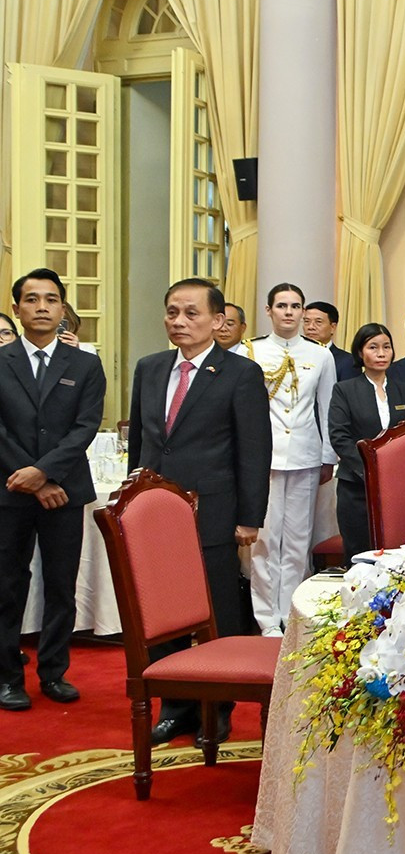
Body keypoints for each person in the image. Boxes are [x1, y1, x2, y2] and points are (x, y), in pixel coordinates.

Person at [127, 277, 271, 745]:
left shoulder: (239, 373)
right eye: (172, 312)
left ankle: (218, 707)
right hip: (157, 514)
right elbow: (140, 446)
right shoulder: (149, 368)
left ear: (217, 320)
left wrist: (249, 516)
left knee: (218, 611)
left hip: (214, 510)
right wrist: (134, 501)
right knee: (163, 610)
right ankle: (177, 707)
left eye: (191, 313)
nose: (180, 321)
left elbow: (254, 449)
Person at [0, 269, 105, 710]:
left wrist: (45, 474)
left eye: (50, 299)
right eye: (31, 299)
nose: (41, 307)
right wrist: (29, 477)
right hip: (9, 490)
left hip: (64, 490)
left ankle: (54, 672)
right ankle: (8, 678)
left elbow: (85, 427)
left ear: (63, 309)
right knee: (7, 585)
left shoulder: (85, 364)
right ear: (17, 309)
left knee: (61, 584)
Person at [247, 282, 338, 638]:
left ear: (303, 312)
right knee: (265, 539)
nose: (289, 312)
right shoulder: (249, 351)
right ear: (268, 311)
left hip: (305, 453)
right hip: (263, 457)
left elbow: (327, 408)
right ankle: (265, 617)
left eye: (295, 306)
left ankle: (290, 611)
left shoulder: (320, 355)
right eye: (281, 305)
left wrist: (328, 455)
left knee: (299, 539)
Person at [327, 323, 405, 559]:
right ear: (360, 352)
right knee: (360, 555)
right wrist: (370, 470)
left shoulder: (404, 391)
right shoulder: (344, 390)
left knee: (397, 554)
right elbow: (340, 436)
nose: (381, 353)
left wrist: (393, 469)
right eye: (373, 347)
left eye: (386, 347)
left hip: (397, 485)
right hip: (357, 486)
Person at [303, 300, 357, 381]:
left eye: (318, 322)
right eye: (306, 321)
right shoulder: (295, 355)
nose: (311, 327)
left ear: (333, 327)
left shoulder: (347, 361)